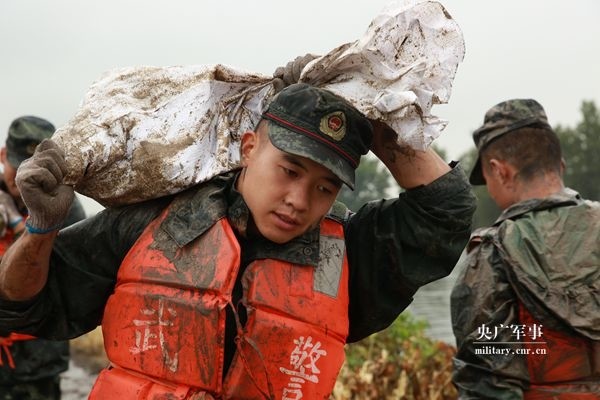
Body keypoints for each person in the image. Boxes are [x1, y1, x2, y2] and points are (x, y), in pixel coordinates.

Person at [0, 83, 475, 399]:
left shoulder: (348, 253)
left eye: (324, 188)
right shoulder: (150, 222)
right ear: (249, 149)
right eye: (289, 171)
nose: (298, 200)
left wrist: (376, 122)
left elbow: (445, 214)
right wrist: (42, 229)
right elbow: (27, 305)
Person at [450, 99, 600, 399]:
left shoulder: (492, 254)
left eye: (488, 180)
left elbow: (485, 381)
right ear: (560, 165)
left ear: (500, 171)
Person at [0, 116, 86, 399]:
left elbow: (69, 281)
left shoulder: (67, 208)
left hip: (40, 359)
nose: (22, 176)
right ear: (2, 155)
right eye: (16, 164)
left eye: (33, 167)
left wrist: (16, 224)